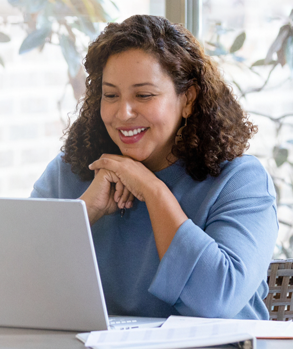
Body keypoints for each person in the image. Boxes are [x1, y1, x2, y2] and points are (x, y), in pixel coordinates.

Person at [31, 14, 278, 320]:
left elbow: (218, 299)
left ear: (187, 99)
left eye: (144, 95)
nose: (123, 113)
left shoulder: (241, 182)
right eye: (110, 95)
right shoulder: (70, 173)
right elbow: (16, 281)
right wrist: (84, 212)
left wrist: (154, 190)